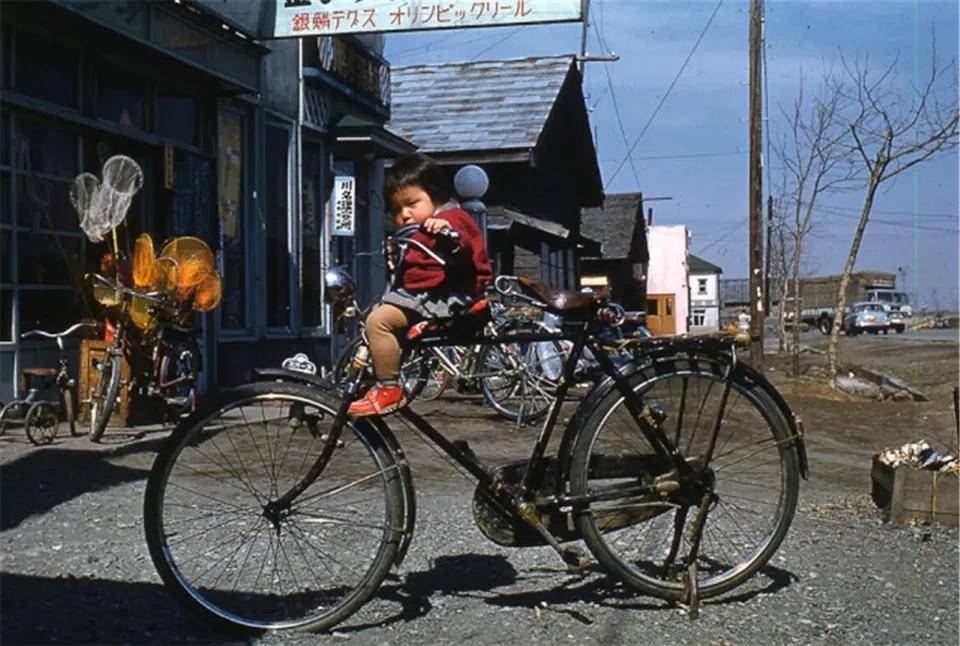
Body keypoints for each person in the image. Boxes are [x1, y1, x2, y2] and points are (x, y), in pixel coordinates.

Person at [348, 154, 492, 417]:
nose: (404, 214)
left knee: (378, 322)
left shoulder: (450, 218)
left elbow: (461, 243)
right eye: (396, 209)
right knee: (381, 321)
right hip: (426, 296)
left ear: (435, 195)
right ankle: (380, 380)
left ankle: (389, 389)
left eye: (412, 203)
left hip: (445, 295)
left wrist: (447, 232)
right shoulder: (420, 229)